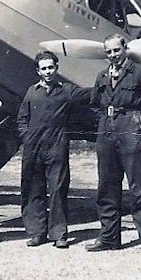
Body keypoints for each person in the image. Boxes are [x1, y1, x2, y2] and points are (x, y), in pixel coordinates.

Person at [86, 34, 141, 259]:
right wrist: (104, 121)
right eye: (109, 52)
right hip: (107, 132)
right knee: (107, 186)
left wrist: (140, 121)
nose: (113, 55)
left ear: (125, 49)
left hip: (132, 132)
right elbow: (94, 104)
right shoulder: (102, 76)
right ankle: (109, 237)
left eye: (116, 50)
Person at [17, 51, 90, 249]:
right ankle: (37, 233)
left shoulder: (66, 91)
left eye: (51, 67)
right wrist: (26, 136)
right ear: (38, 71)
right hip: (33, 148)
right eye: (44, 68)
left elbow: (90, 94)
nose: (48, 71)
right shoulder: (32, 92)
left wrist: (107, 81)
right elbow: (22, 117)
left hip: (56, 146)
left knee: (58, 189)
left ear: (56, 68)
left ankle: (59, 234)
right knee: (34, 189)